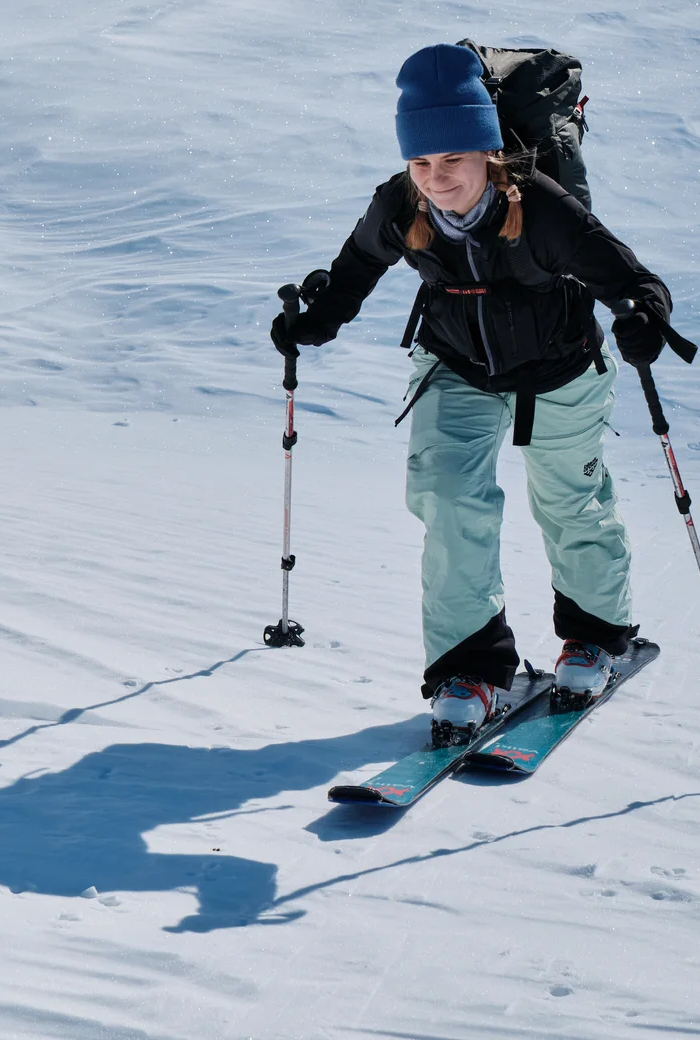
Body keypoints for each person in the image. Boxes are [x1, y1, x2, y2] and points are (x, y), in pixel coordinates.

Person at [270, 43, 675, 744]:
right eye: (421, 163)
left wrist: (644, 319)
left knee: (569, 503)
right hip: (456, 365)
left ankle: (597, 639)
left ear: (488, 153)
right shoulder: (401, 204)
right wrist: (319, 319)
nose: (436, 178)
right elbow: (359, 262)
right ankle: (471, 672)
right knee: (450, 501)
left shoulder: (542, 209)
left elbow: (631, 280)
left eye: (451, 160)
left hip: (560, 369)